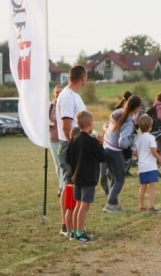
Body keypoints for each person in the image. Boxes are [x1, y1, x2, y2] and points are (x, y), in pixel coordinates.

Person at [56, 65, 88, 237]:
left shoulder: (75, 95)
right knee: (70, 186)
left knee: (72, 185)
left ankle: (70, 225)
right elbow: (67, 125)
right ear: (82, 78)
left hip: (76, 144)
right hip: (70, 145)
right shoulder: (67, 96)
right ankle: (66, 226)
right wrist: (75, 147)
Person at [66, 111, 105, 242]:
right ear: (89, 124)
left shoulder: (74, 139)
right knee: (84, 205)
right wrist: (100, 144)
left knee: (78, 205)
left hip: (76, 177)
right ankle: (80, 233)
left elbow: (68, 158)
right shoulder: (91, 141)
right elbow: (102, 157)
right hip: (88, 178)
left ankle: (75, 231)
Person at [103, 95, 141, 213]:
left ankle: (114, 202)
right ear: (136, 109)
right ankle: (110, 204)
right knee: (120, 178)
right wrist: (132, 139)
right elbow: (123, 143)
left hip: (106, 147)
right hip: (115, 151)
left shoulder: (117, 112)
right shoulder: (129, 122)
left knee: (115, 176)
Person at [133, 114, 161, 212]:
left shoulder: (137, 138)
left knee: (143, 186)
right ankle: (150, 207)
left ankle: (141, 206)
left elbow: (134, 152)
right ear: (150, 127)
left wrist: (141, 155)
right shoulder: (151, 138)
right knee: (152, 186)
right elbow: (154, 152)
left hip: (141, 167)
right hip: (150, 166)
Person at [48, 85, 64, 198]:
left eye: (60, 92)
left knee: (64, 164)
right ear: (54, 93)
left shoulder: (65, 105)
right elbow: (46, 120)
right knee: (58, 165)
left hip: (65, 139)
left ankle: (62, 187)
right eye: (57, 92)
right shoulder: (50, 106)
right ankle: (61, 184)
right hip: (53, 139)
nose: (58, 94)